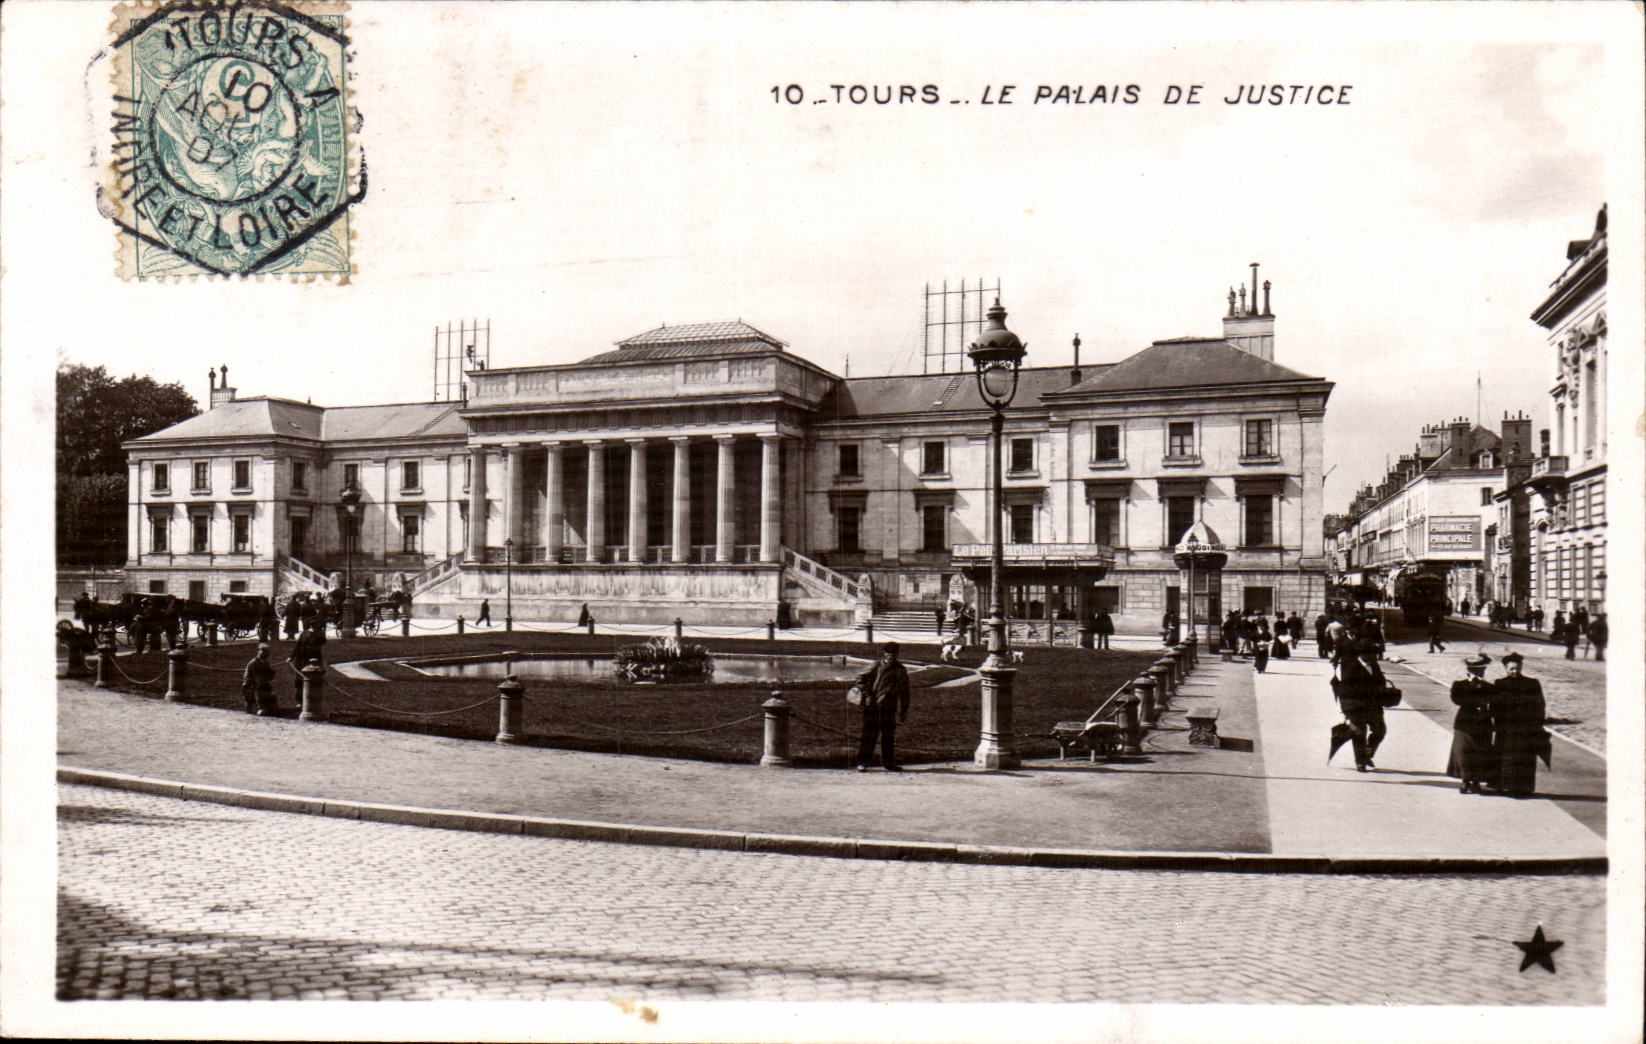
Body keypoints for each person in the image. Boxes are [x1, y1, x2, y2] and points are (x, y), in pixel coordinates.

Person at [1489, 651, 1546, 798]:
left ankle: (1524, 788)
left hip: (1526, 728)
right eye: (1511, 669)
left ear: (1521, 667)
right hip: (1506, 728)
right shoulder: (1500, 684)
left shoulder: (1532, 683)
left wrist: (1537, 723)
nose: (1515, 671)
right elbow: (1495, 706)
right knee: (1506, 758)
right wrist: (1498, 722)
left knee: (1524, 758)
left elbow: (1540, 704)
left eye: (1517, 668)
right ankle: (1504, 786)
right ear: (1506, 669)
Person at [1333, 623, 1387, 772]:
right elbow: (1343, 688)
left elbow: (1380, 681)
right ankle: (1360, 762)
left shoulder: (1374, 665)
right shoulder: (1350, 667)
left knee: (1380, 730)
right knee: (1359, 732)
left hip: (1373, 704)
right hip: (1355, 704)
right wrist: (1345, 707)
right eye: (1369, 654)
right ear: (1361, 654)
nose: (1372, 657)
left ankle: (1368, 751)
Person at [854, 642, 911, 773]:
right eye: (888, 653)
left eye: (894, 653)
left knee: (888, 736)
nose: (891, 656)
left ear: (897, 654)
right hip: (872, 706)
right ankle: (862, 762)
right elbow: (860, 678)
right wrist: (867, 694)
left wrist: (903, 710)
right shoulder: (876, 666)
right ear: (884, 653)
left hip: (889, 707)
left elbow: (905, 692)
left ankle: (889, 763)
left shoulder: (901, 670)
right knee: (869, 734)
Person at [1446, 654, 1496, 794]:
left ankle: (1476, 781)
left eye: (1480, 670)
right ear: (1468, 671)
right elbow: (1457, 699)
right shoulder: (1459, 684)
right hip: (1464, 723)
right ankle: (1465, 781)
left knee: (1480, 754)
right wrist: (1475, 689)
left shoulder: (1489, 687)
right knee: (1463, 753)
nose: (1477, 673)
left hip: (1483, 724)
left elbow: (1493, 701)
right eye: (1474, 670)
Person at [243, 643, 277, 715]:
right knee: (260, 689)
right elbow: (252, 677)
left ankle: (271, 707)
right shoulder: (254, 663)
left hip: (261, 682)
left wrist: (271, 675)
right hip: (250, 684)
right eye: (264, 651)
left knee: (270, 691)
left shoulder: (265, 662)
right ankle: (260, 707)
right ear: (259, 651)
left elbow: (271, 673)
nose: (266, 654)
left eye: (267, 652)